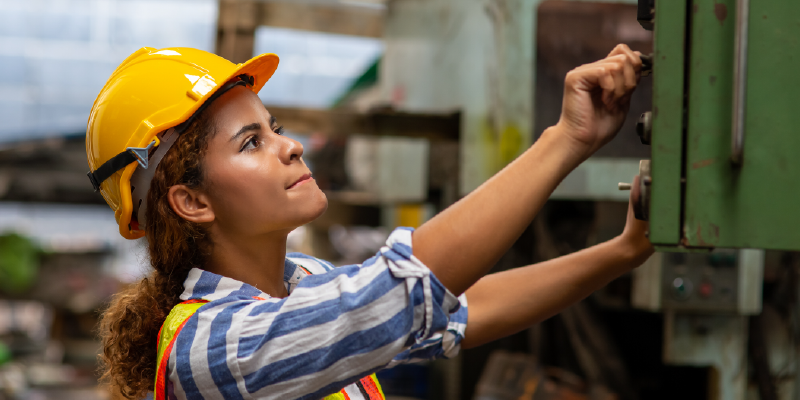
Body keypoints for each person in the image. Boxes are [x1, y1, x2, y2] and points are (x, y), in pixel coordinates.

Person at [87, 44, 652, 400]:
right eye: (251, 142)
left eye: (274, 126)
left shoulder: (303, 279)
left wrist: (623, 251)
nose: (292, 147)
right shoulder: (206, 349)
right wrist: (564, 140)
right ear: (192, 202)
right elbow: (404, 289)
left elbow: (460, 309)